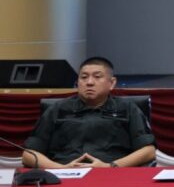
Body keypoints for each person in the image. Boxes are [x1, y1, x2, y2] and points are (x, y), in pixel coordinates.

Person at [22, 57, 156, 169]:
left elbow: (148, 151)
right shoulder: (57, 109)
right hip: (64, 174)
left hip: (112, 174)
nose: (89, 82)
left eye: (97, 77)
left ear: (112, 83)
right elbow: (29, 154)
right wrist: (61, 168)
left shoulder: (127, 108)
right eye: (84, 77)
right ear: (77, 82)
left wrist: (110, 166)